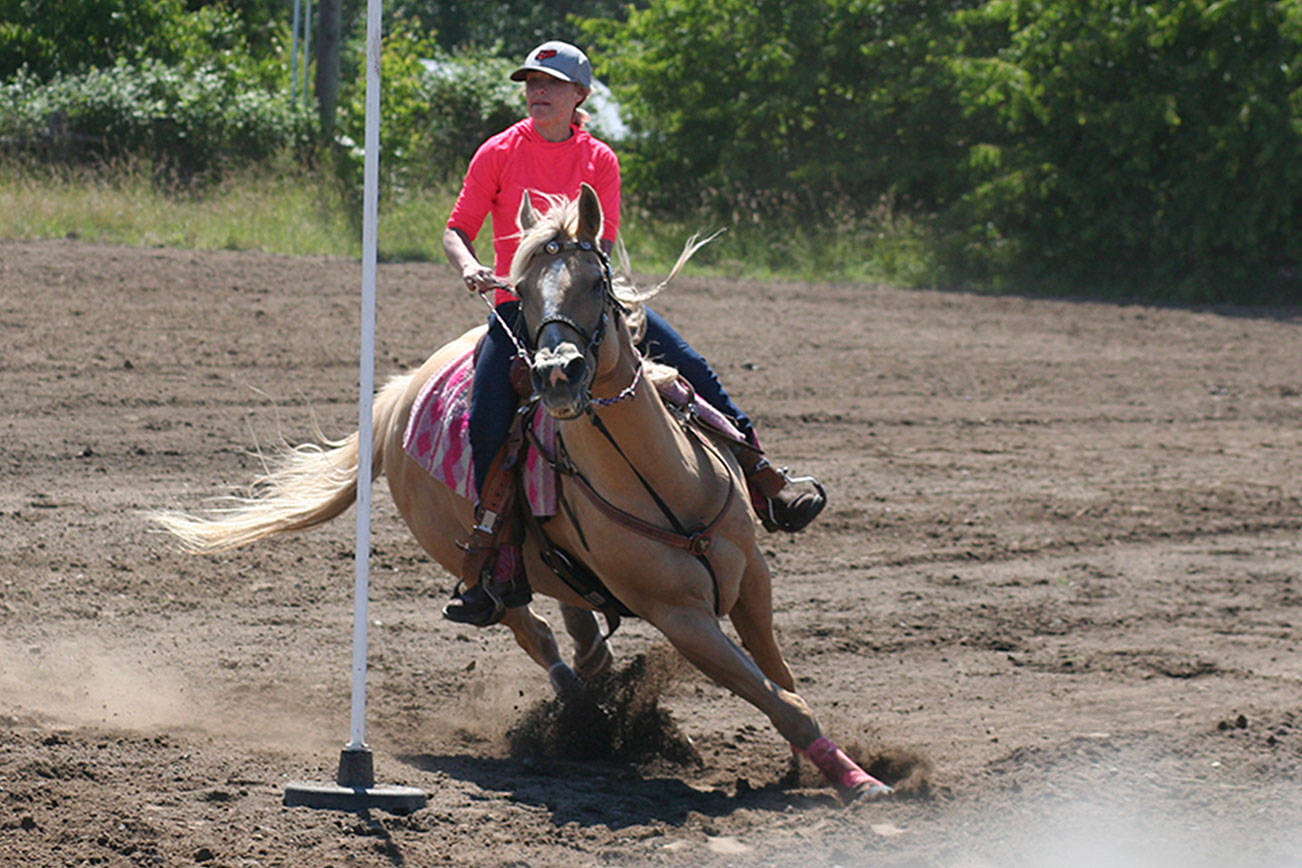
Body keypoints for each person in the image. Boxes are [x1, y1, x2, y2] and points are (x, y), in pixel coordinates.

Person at [442, 41, 824, 624]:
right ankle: (496, 560)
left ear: (579, 96)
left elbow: (597, 242)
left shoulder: (600, 159)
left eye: (549, 82)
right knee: (487, 418)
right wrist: (469, 265)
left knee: (693, 368)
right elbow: (457, 229)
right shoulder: (495, 152)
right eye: (530, 82)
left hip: (594, 304)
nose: (536, 91)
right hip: (519, 307)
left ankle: (763, 475)